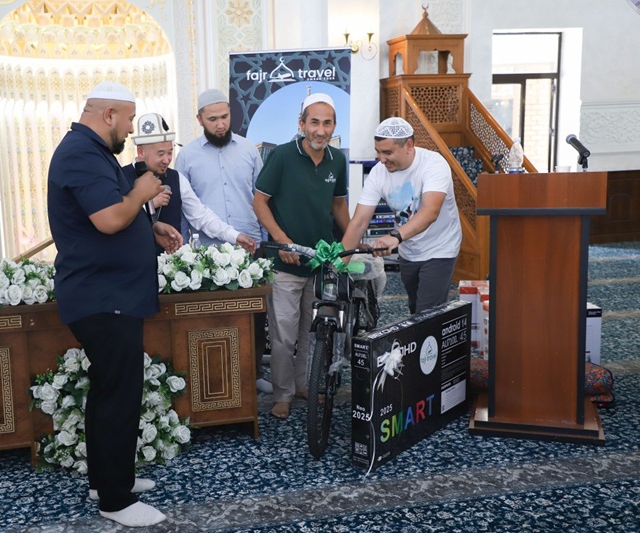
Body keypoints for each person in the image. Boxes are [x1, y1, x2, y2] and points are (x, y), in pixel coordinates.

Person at [47, 81, 180, 528]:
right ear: (108, 115)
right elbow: (107, 220)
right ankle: (116, 501)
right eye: (128, 119)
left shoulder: (92, 151)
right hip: (103, 296)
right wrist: (141, 193)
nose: (129, 129)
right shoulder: (81, 154)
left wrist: (149, 227)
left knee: (109, 390)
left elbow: (111, 213)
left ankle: (105, 480)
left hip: (110, 294)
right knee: (118, 395)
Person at [253, 93, 350, 420]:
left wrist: (351, 240)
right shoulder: (282, 156)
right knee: (283, 336)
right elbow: (259, 202)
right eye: (314, 122)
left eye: (327, 123)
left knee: (314, 331)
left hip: (321, 264)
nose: (320, 130)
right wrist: (283, 242)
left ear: (334, 126)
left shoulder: (337, 161)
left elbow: (338, 205)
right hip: (286, 264)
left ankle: (303, 384)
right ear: (301, 124)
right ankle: (282, 394)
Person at [175, 89, 272, 394]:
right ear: (199, 119)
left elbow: (261, 198)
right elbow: (184, 207)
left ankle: (254, 373)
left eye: (225, 117)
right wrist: (183, 250)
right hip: (209, 251)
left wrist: (265, 241)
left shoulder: (248, 150)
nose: (220, 124)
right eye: (213, 119)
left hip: (250, 246)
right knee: (215, 317)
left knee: (254, 314)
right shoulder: (187, 156)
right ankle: (217, 379)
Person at [341, 117, 461, 314]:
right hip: (408, 250)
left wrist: (394, 236)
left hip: (440, 248)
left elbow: (430, 211)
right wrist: (339, 264)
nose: (381, 159)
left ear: (409, 146)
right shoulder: (378, 172)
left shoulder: (434, 164)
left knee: (427, 314)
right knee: (415, 309)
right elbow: (359, 222)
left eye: (387, 152)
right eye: (378, 152)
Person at [122, 112, 256, 255]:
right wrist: (148, 205)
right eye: (160, 154)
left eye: (170, 153)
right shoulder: (121, 176)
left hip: (171, 263)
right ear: (141, 152)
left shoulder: (176, 178)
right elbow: (114, 219)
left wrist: (235, 236)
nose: (167, 160)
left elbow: (200, 215)